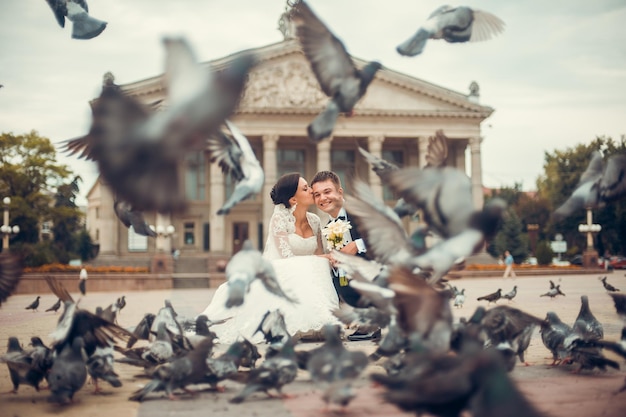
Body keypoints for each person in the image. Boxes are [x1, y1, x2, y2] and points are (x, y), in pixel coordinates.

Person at [199, 172, 340, 344]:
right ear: (293, 200)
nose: (312, 191)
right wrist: (320, 260)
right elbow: (286, 258)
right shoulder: (279, 218)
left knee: (319, 266)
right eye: (306, 188)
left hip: (309, 276)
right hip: (283, 274)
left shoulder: (315, 220)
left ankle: (321, 317)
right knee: (314, 265)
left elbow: (319, 255)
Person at [310, 170, 381, 342]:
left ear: (340, 192)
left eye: (327, 192)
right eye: (317, 195)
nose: (322, 198)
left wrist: (357, 245)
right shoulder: (329, 225)